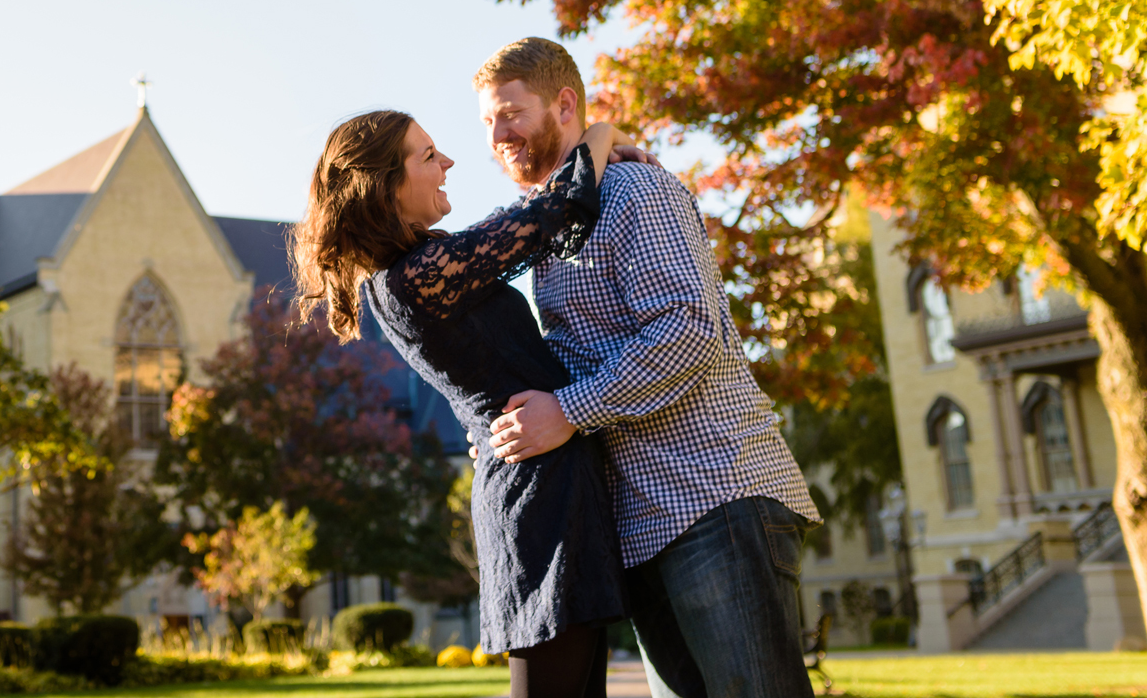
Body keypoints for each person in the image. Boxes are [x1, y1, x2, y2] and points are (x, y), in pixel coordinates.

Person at [474, 38, 820, 698]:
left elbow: (687, 332)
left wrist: (567, 412)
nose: (498, 134)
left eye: (511, 112)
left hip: (715, 497)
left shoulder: (634, 188)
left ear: (565, 103)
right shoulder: (553, 225)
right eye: (487, 121)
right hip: (641, 525)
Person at [290, 108, 644, 698]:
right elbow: (551, 210)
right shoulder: (415, 277)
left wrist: (481, 430)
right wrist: (602, 134)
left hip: (549, 481)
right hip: (539, 499)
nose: (449, 162)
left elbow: (478, 373)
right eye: (428, 156)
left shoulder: (420, 272)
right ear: (386, 185)